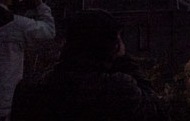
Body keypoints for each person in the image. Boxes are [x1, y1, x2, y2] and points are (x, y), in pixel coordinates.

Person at [11, 9, 168, 121]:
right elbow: (156, 111)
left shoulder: (29, 88)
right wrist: (123, 60)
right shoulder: (118, 90)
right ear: (114, 47)